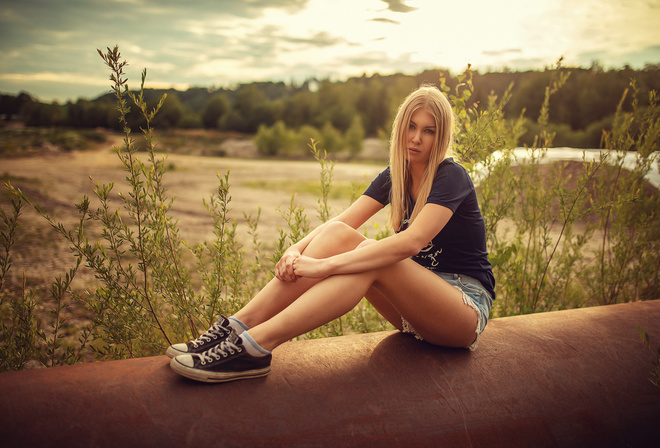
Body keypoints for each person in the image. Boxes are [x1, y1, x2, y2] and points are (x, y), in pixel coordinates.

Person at [168, 84, 495, 383]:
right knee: (342, 235)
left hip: (462, 308)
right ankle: (238, 326)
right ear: (400, 128)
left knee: (373, 256)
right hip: (415, 311)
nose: (416, 138)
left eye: (428, 131)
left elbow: (412, 241)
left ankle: (255, 346)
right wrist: (294, 250)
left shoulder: (451, 176)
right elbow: (341, 223)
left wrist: (326, 267)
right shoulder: (396, 174)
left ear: (441, 137)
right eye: (411, 126)